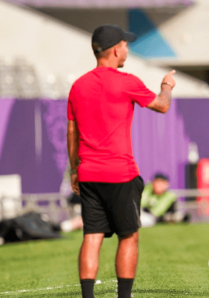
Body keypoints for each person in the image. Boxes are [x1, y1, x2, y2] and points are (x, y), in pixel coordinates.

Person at [67, 24, 176, 298]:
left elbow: (72, 133)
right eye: (125, 45)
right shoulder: (127, 81)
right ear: (115, 49)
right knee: (129, 235)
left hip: (88, 174)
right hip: (121, 174)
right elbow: (162, 105)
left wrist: (74, 170)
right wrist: (166, 87)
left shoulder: (78, 86)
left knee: (91, 237)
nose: (127, 48)